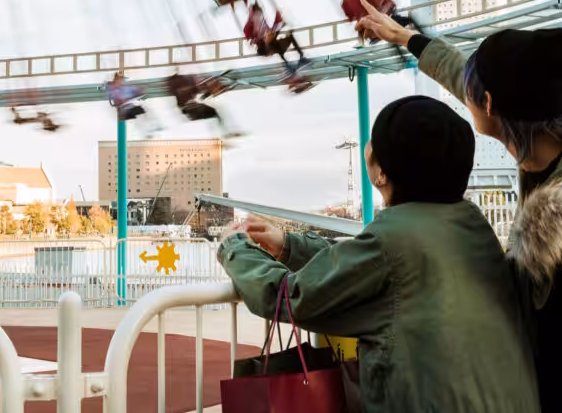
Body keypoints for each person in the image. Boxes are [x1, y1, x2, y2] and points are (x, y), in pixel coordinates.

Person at [356, 0, 562, 412]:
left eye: (472, 91)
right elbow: (464, 76)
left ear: (488, 105)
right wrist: (408, 40)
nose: (463, 93)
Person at [218, 96, 539, 412]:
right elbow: (382, 265)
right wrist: (290, 245)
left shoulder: (392, 240)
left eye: (374, 142)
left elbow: (290, 297)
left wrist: (234, 247)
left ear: (382, 173)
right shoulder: (469, 225)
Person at [243, 3, 309, 74]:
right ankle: (286, 64)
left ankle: (301, 57)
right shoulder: (249, 25)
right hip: (263, 48)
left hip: (273, 45)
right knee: (271, 40)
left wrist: (278, 20)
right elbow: (249, 40)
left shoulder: (263, 22)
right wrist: (254, 40)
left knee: (289, 37)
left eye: (259, 14)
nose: (258, 16)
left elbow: (272, 30)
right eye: (256, 14)